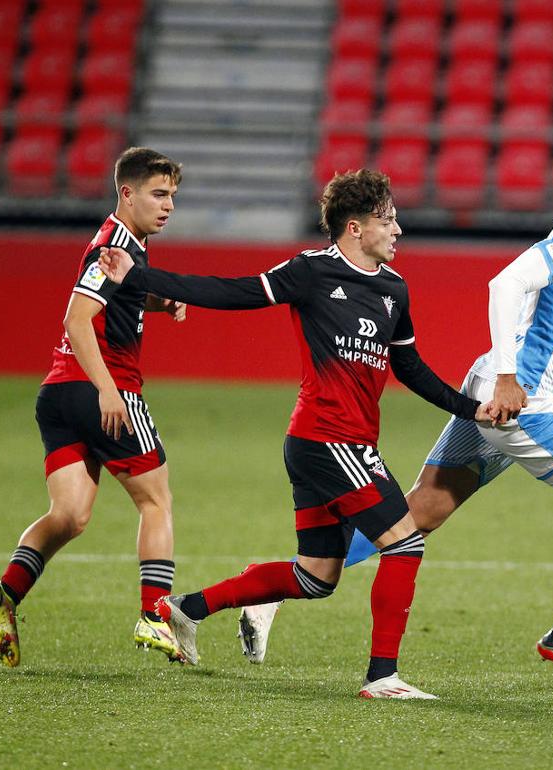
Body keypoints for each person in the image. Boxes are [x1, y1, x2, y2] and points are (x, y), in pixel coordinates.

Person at [239, 142, 553, 676]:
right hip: (523, 400)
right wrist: (507, 378)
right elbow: (505, 283)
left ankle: (271, 592)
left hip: (493, 391)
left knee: (421, 511)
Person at [97, 169, 495, 699]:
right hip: (328, 438)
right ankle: (382, 677)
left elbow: (411, 369)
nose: (397, 230)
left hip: (335, 443)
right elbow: (232, 292)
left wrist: (472, 410)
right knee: (405, 543)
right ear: (355, 228)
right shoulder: (311, 271)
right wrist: (140, 277)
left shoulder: (393, 289)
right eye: (387, 220)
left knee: (316, 576)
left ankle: (186, 609)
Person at [0, 147, 187, 667]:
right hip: (104, 391)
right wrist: (108, 390)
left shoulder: (126, 245)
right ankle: (154, 614)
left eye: (172, 196)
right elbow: (77, 318)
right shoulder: (114, 246)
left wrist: (158, 302)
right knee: (156, 502)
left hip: (58, 395)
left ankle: (5, 594)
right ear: (127, 193)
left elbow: (114, 296)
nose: (168, 206)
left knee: (69, 515)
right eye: (159, 195)